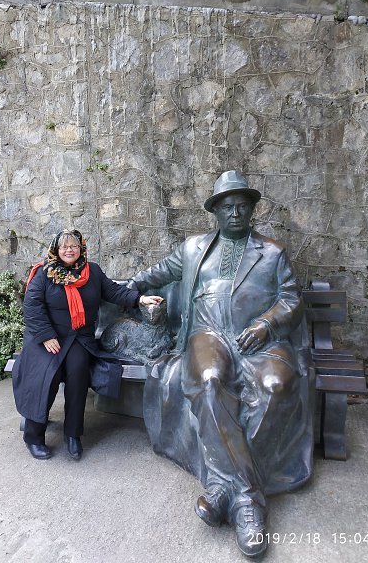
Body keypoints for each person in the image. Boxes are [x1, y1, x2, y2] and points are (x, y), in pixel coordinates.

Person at [129, 171, 313, 557]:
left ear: (252, 209)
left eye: (242, 206)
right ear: (215, 211)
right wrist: (126, 293)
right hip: (208, 335)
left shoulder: (272, 252)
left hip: (259, 340)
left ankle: (223, 488)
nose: (235, 213)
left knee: (277, 385)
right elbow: (152, 276)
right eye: (227, 207)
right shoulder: (193, 248)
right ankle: (249, 503)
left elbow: (291, 299)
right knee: (210, 380)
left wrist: (266, 325)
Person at [12, 229, 162, 461]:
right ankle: (33, 437)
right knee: (46, 377)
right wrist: (46, 335)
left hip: (79, 338)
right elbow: (32, 307)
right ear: (56, 250)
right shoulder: (43, 273)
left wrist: (140, 299)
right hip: (48, 338)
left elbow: (114, 291)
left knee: (78, 375)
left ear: (81, 248)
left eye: (74, 246)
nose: (69, 250)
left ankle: (73, 434)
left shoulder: (92, 272)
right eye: (64, 246)